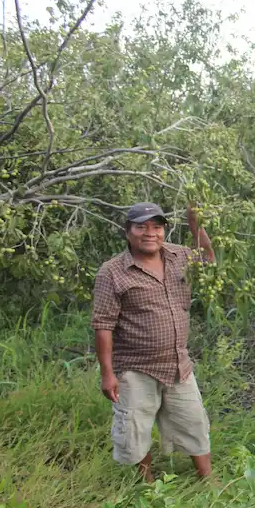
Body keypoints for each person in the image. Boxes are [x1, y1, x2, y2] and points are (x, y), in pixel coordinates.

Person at [91, 202, 216, 482]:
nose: (150, 233)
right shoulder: (111, 272)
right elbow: (103, 325)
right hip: (135, 368)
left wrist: (195, 222)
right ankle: (145, 485)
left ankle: (208, 481)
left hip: (178, 364)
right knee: (135, 430)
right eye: (141, 226)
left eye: (157, 227)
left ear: (164, 231)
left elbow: (208, 259)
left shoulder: (179, 255)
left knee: (194, 422)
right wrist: (107, 373)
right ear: (128, 232)